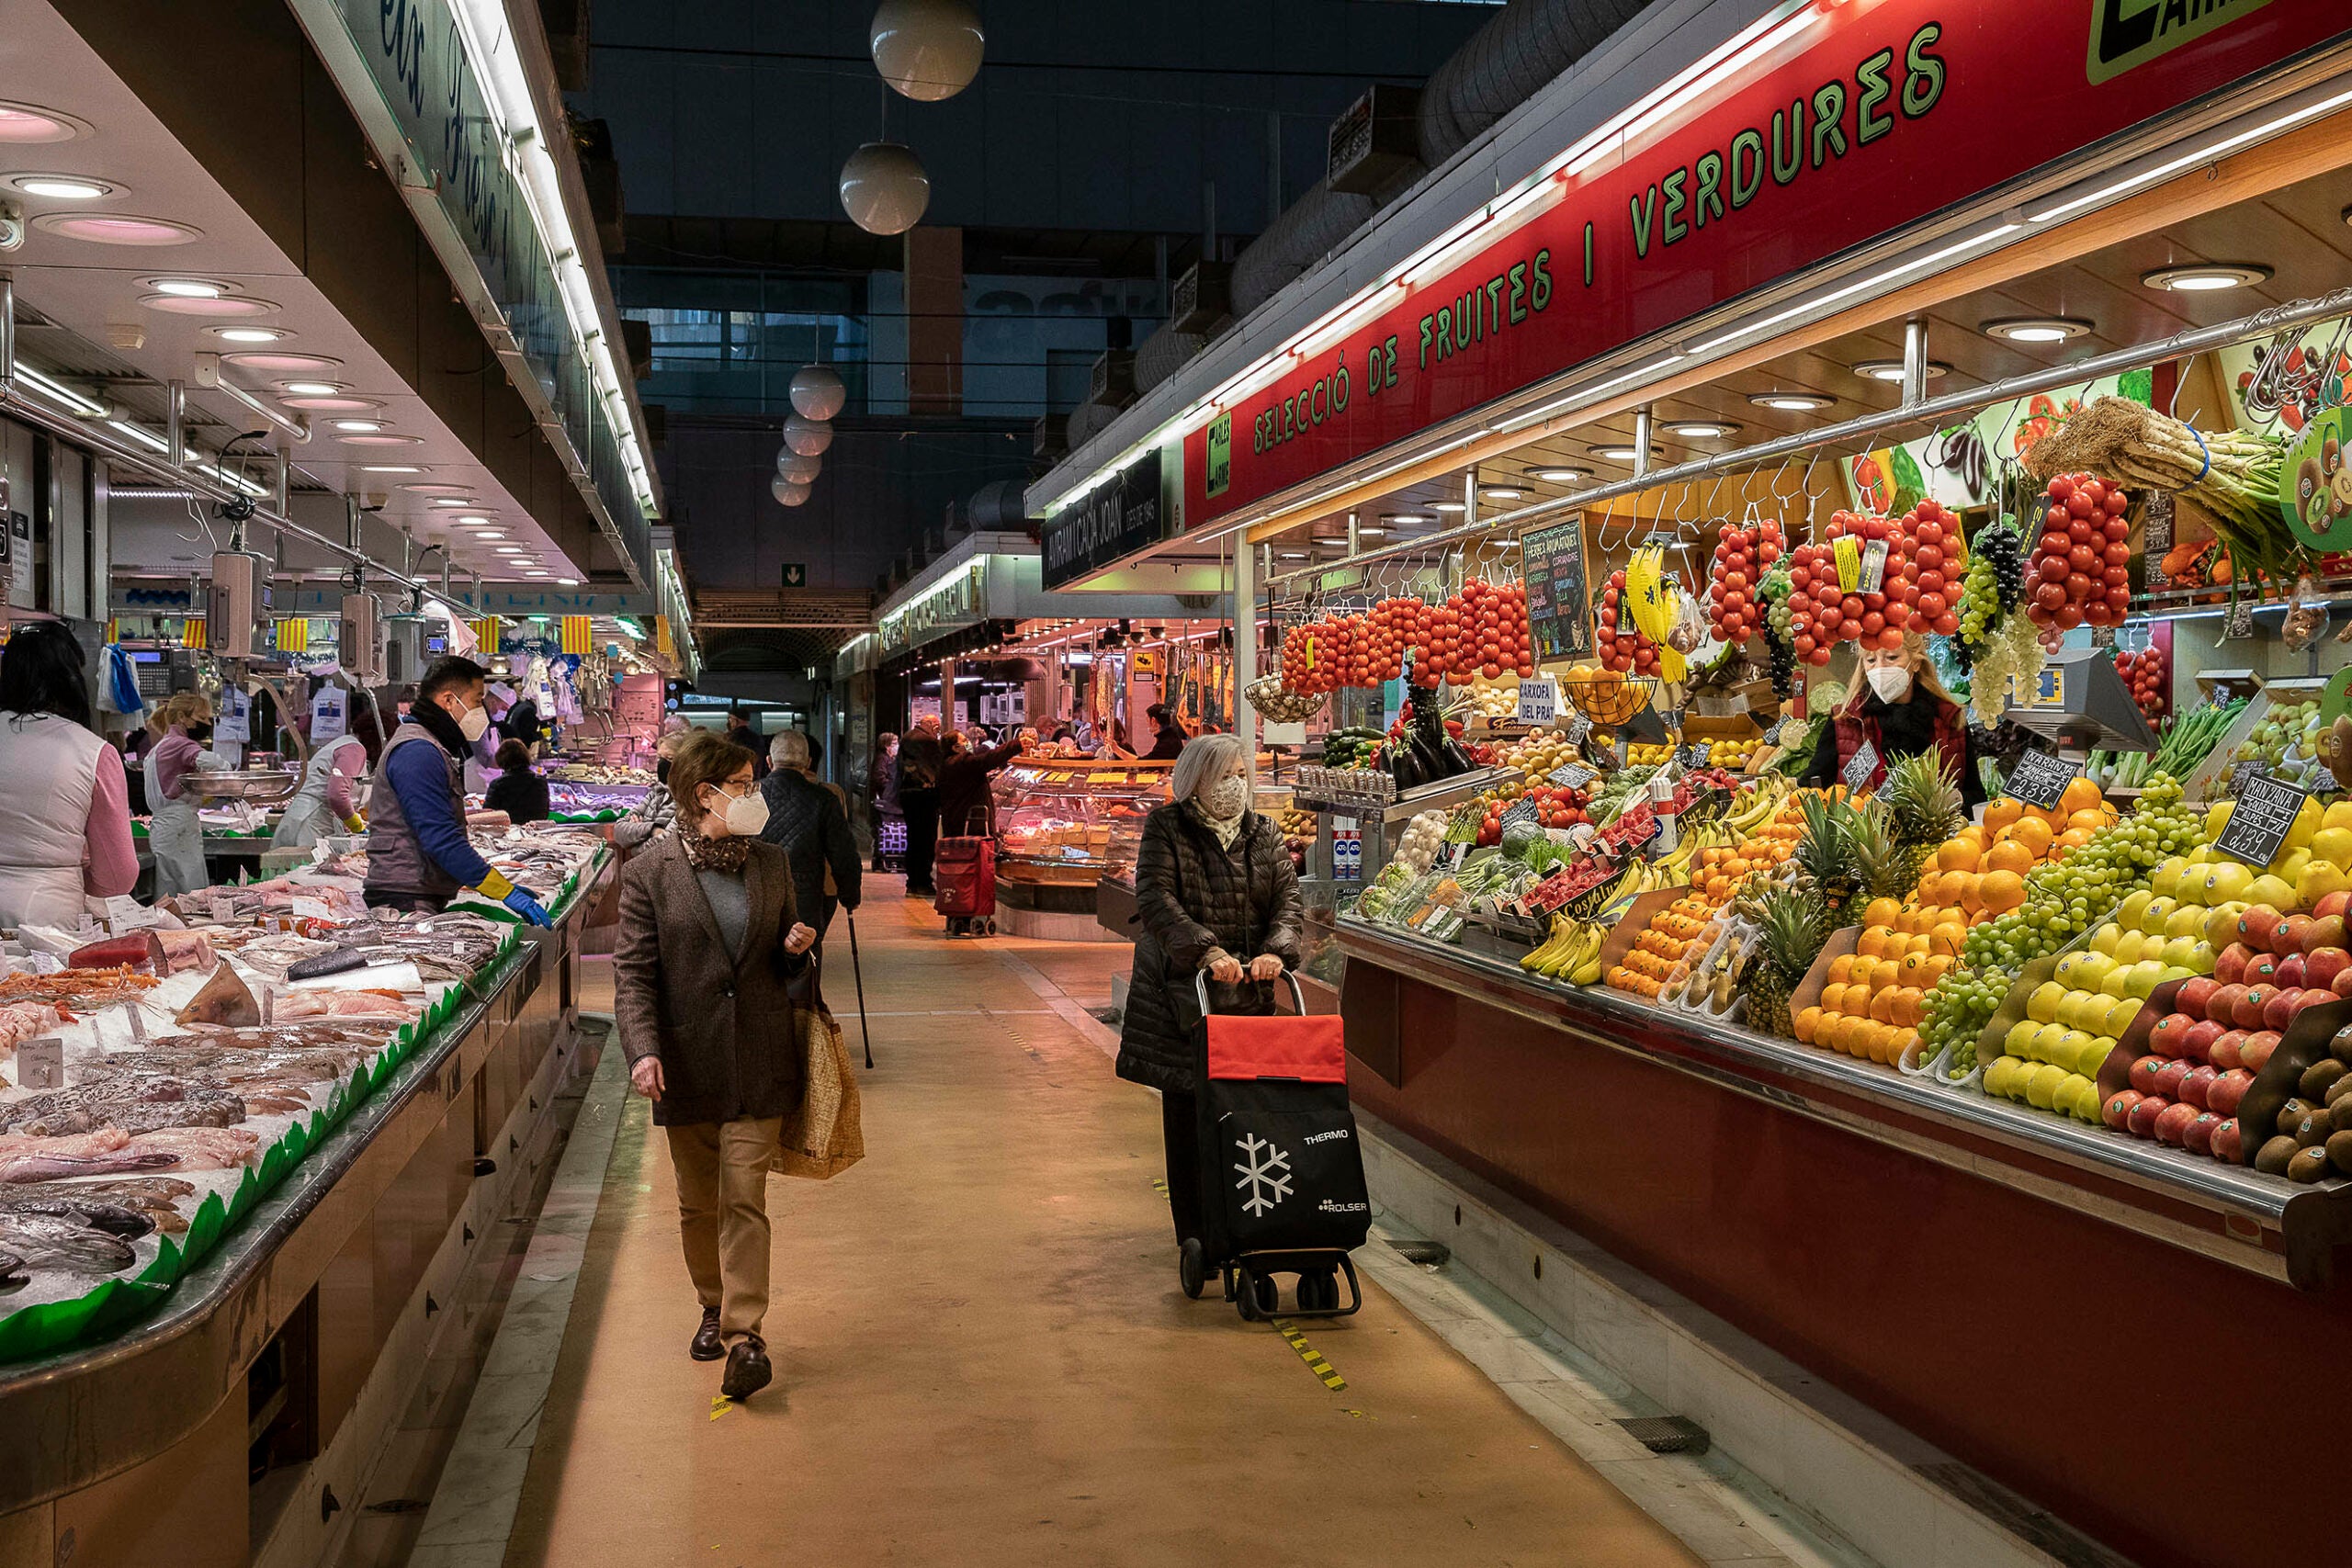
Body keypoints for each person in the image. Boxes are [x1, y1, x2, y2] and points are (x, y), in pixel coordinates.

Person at [615, 729, 818, 1400]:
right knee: (697, 1203)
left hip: (760, 1058)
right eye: (745, 785)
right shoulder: (651, 873)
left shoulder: (773, 863)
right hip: (685, 1059)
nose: (755, 796)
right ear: (706, 794)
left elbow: (784, 964)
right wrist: (643, 1048)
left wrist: (795, 948)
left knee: (744, 1198)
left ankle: (745, 1335)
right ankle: (711, 1300)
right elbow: (634, 976)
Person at [1114, 733, 1303, 1282]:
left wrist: (1276, 950)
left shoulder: (1262, 833)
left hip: (1249, 999)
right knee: (1190, 1117)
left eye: (1242, 773)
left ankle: (1249, 1221)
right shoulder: (1166, 829)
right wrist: (1205, 948)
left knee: (1246, 1114)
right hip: (1181, 999)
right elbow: (1154, 899)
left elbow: (1287, 902)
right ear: (1197, 779)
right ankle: (1196, 1234)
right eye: (1226, 774)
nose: (1237, 784)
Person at [365, 656, 552, 923]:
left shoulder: (430, 746)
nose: (482, 712)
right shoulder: (418, 752)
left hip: (417, 891)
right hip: (405, 899)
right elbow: (442, 839)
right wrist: (502, 890)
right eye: (477, 701)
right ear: (449, 701)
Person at [0, 621, 139, 928]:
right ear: (71, 678)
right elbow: (118, 876)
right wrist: (71, 872)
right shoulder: (94, 752)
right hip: (44, 921)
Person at [1802, 635, 1981, 806]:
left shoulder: (1950, 719)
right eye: (1871, 660)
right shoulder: (1847, 720)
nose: (1880, 668)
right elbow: (1810, 787)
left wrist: (1953, 799)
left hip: (1939, 837)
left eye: (1892, 657)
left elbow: (1977, 796)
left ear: (1916, 662)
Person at [760, 731, 861, 951]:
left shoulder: (751, 796)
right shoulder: (823, 799)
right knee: (806, 958)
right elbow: (843, 852)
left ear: (769, 761)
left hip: (757, 893)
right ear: (807, 763)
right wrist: (850, 893)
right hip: (805, 895)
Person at [145, 693, 222, 896]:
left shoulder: (159, 746)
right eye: (203, 718)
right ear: (182, 717)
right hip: (179, 827)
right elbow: (214, 763)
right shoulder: (179, 744)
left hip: (162, 828)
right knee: (192, 895)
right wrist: (227, 774)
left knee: (168, 893)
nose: (207, 723)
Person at [270, 713, 370, 851]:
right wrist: (357, 826)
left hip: (304, 818)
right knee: (302, 870)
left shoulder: (344, 743)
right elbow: (337, 794)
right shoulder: (354, 750)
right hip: (311, 826)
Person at [938, 726, 1028, 843]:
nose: (968, 743)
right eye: (964, 741)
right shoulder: (961, 762)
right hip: (970, 827)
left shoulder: (946, 764)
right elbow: (988, 759)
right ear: (955, 748)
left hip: (956, 824)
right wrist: (1016, 744)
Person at [895, 714, 945, 897]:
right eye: (937, 728)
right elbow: (939, 766)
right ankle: (922, 882)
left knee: (914, 839)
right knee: (925, 840)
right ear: (931, 725)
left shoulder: (908, 737)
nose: (937, 732)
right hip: (924, 796)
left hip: (908, 795)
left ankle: (913, 882)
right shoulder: (927, 741)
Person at [616, 730, 686, 852]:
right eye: (659, 757)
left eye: (669, 758)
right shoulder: (656, 792)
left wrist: (634, 845)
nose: (662, 763)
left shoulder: (687, 800)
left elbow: (665, 846)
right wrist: (653, 829)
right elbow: (619, 830)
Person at [484, 739, 552, 823]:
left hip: (506, 832)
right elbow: (544, 813)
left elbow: (487, 816)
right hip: (535, 831)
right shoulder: (540, 781)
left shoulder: (497, 784)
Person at [868, 731, 900, 872]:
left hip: (886, 801)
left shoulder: (888, 759)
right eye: (895, 743)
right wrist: (892, 786)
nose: (897, 746)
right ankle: (880, 860)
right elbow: (879, 778)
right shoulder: (882, 759)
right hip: (884, 803)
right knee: (881, 829)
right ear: (887, 746)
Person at [725, 709, 767, 778]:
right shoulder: (758, 739)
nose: (728, 722)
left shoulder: (730, 739)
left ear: (736, 721)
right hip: (755, 778)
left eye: (730, 719)